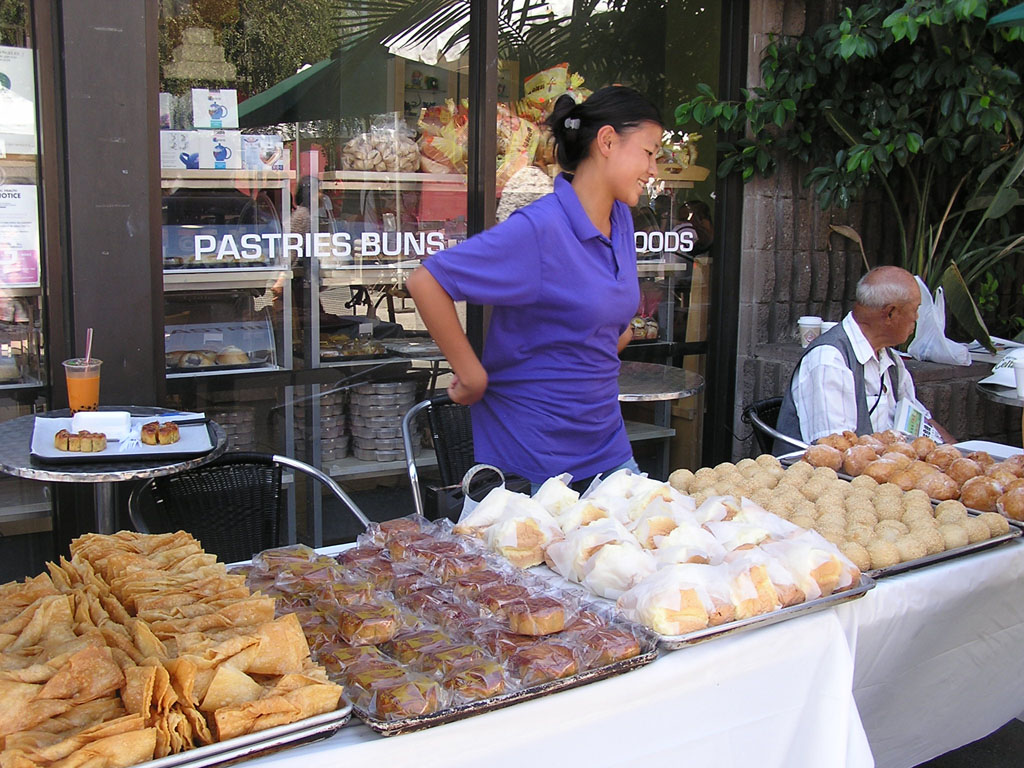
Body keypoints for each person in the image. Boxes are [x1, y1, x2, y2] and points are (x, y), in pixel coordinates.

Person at [407, 85, 663, 488]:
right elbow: (426, 281)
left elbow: (610, 326)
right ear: (608, 141)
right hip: (535, 458)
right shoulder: (541, 229)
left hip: (607, 445)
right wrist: (471, 375)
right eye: (649, 152)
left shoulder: (621, 219)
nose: (654, 169)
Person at [775, 265, 954, 451]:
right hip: (840, 468)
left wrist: (957, 452)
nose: (916, 318)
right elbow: (836, 450)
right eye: (915, 309)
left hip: (884, 462)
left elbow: (922, 420)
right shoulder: (829, 361)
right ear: (890, 313)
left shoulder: (890, 359)